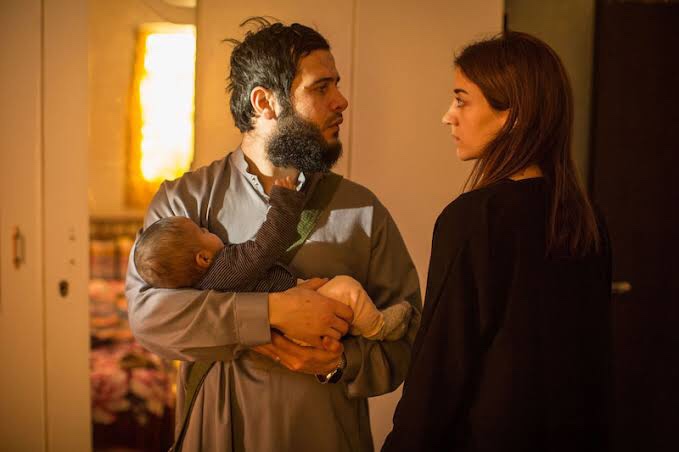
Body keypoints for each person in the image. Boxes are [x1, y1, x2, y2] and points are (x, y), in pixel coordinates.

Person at [125, 17, 421, 452]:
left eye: (336, 85)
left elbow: (411, 338)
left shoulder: (363, 210)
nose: (341, 101)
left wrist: (340, 362)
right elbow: (150, 318)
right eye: (321, 88)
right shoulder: (183, 203)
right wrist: (273, 311)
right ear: (264, 101)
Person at [382, 32, 612, 452]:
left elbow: (440, 368)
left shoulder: (475, 218)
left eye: (462, 101)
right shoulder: (586, 218)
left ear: (513, 115)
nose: (448, 116)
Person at [132, 177, 412, 342]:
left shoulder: (204, 286)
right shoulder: (227, 267)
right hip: (300, 309)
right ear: (203, 258)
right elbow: (265, 246)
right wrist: (284, 201)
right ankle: (377, 327)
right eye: (202, 231)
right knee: (347, 288)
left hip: (287, 320)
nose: (207, 229)